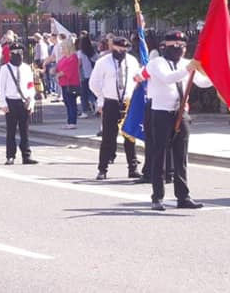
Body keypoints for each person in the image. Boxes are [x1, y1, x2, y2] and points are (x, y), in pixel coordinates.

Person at [145, 32, 212, 211]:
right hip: (161, 113)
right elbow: (168, 78)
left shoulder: (185, 63)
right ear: (165, 45)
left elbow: (201, 81)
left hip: (181, 113)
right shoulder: (156, 63)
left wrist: (217, 76)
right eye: (175, 45)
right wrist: (188, 68)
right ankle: (157, 197)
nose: (179, 49)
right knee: (159, 154)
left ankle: (183, 196)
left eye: (182, 46)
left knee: (181, 155)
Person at [89, 36, 143, 180]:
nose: (122, 51)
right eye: (119, 48)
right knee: (108, 137)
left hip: (128, 102)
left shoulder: (131, 61)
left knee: (129, 136)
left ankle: (133, 168)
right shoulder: (103, 62)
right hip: (111, 102)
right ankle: (103, 169)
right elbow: (94, 83)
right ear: (113, 47)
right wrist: (101, 99)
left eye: (125, 49)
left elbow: (136, 80)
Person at [0, 41, 38, 165]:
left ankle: (26, 155)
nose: (18, 55)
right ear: (10, 54)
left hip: (23, 101)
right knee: (11, 130)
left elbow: (30, 86)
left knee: (24, 130)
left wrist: (31, 102)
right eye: (15, 53)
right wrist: (3, 104)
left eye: (20, 53)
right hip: (11, 101)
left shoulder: (26, 68)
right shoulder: (5, 69)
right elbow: (1, 88)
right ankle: (10, 156)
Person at [55, 37, 80, 129]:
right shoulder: (64, 58)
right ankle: (69, 121)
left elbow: (67, 70)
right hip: (64, 83)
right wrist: (54, 70)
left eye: (63, 48)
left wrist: (58, 74)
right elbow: (59, 67)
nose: (62, 50)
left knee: (71, 102)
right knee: (67, 102)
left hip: (71, 83)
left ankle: (72, 122)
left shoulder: (73, 57)